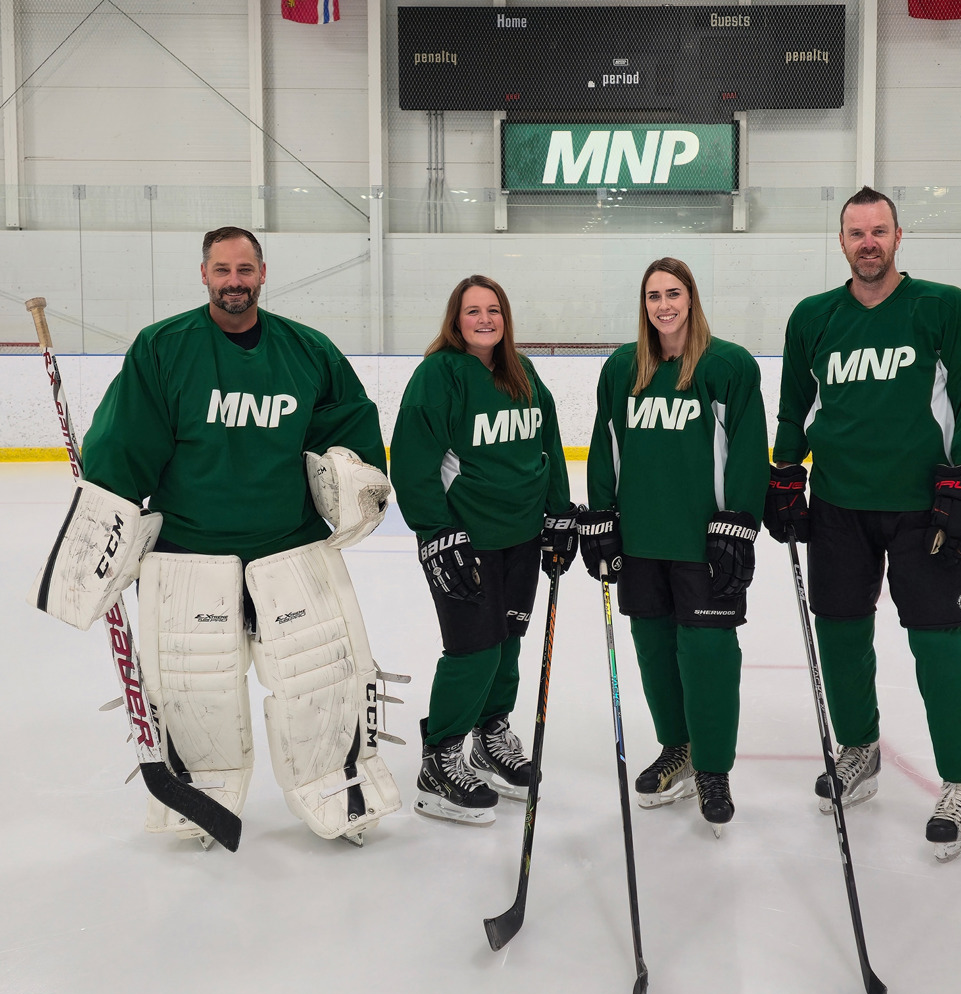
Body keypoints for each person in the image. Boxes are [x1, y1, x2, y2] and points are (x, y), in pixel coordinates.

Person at [32, 226, 401, 848]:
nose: (235, 281)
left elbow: (350, 428)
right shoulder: (163, 348)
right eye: (223, 270)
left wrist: (359, 481)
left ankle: (339, 789)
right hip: (189, 551)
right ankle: (197, 800)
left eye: (245, 269)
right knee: (191, 689)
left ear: (263, 273)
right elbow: (125, 443)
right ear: (204, 274)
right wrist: (105, 526)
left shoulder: (307, 350)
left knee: (326, 682)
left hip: (291, 547)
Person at [766, 186, 961, 862]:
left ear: (899, 237)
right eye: (855, 232)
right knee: (839, 631)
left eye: (879, 230)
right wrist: (785, 473)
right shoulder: (814, 318)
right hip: (839, 505)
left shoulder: (942, 308)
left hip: (925, 506)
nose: (867, 242)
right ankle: (859, 750)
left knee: (940, 643)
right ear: (841, 241)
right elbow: (793, 407)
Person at [577, 257, 769, 837]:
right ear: (644, 304)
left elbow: (747, 446)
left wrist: (739, 520)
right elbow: (603, 446)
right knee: (655, 649)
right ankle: (677, 747)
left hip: (701, 540)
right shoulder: (622, 369)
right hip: (641, 539)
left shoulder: (726, 365)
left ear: (692, 299)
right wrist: (602, 516)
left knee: (708, 655)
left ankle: (712, 768)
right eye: (654, 295)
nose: (664, 305)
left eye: (674, 293)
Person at [390, 275, 577, 826]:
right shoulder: (439, 375)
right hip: (464, 540)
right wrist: (435, 532)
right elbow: (412, 460)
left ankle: (491, 734)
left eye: (493, 310)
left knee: (509, 642)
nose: (485, 319)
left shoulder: (522, 372)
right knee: (473, 648)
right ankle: (440, 757)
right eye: (473, 311)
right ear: (456, 319)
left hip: (521, 536)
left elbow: (549, 445)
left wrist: (560, 510)